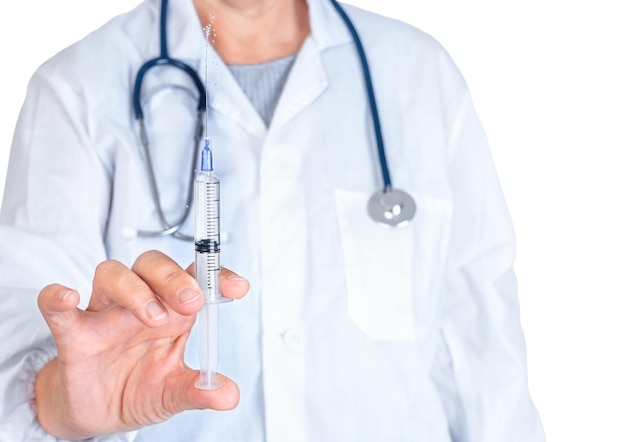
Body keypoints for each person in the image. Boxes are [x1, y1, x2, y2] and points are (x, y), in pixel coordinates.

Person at [0, 0, 545, 440]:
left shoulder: (418, 72)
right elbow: (24, 353)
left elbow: (483, 343)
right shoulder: (76, 87)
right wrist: (65, 405)